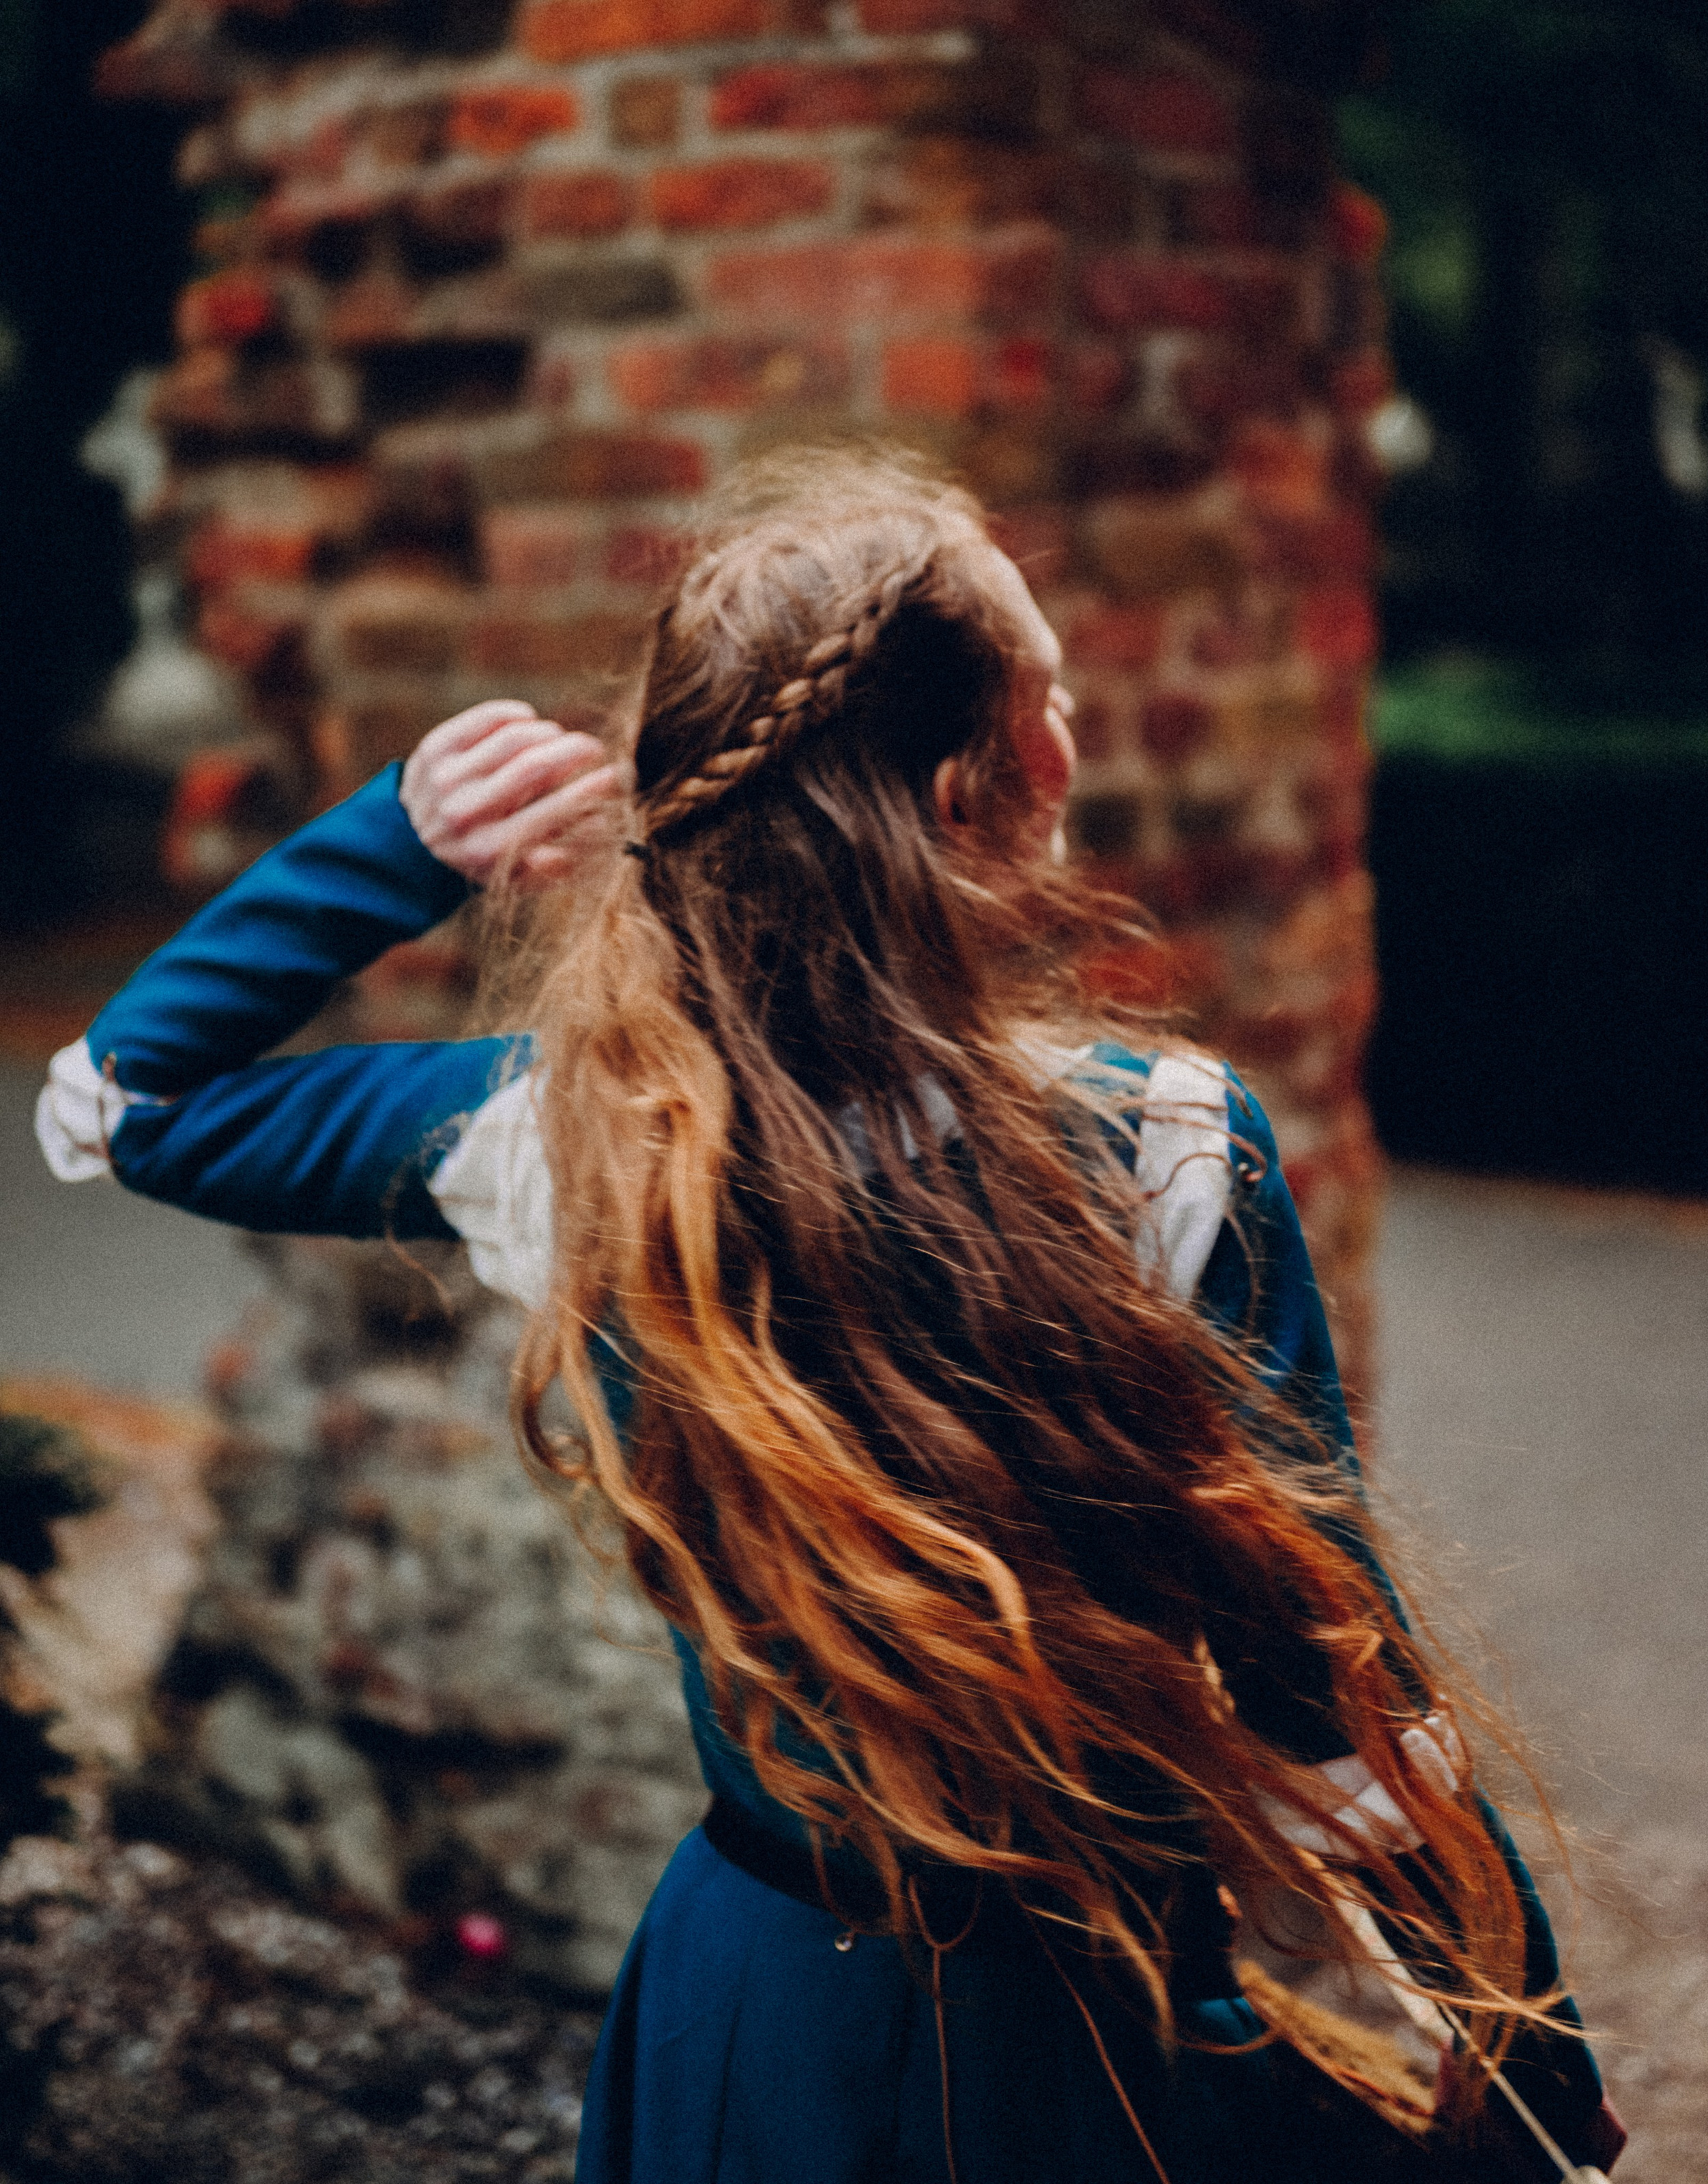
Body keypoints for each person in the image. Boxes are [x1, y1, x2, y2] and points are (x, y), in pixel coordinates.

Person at [38, 450, 1624, 2183]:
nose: (1072, 732)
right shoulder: (1167, 1148)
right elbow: (1326, 1688)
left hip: (755, 1999)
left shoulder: (577, 1137)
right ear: (966, 792)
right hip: (1079, 2016)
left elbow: (125, 1106)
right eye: (1054, 696)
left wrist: (394, 842)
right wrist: (1522, 2046)